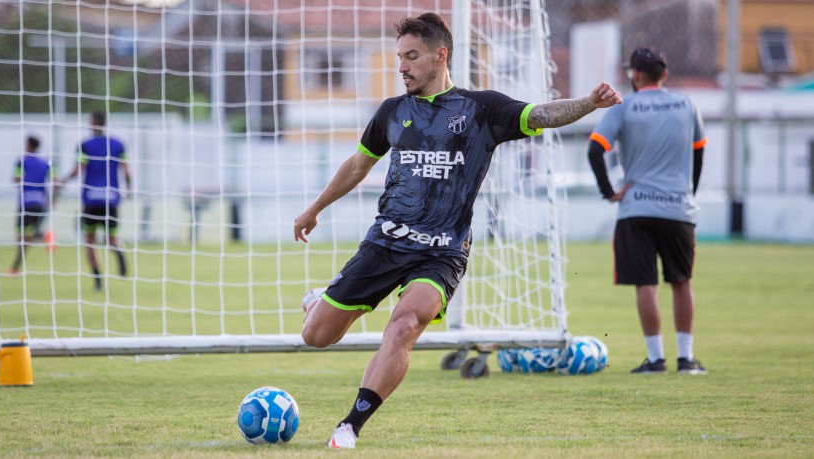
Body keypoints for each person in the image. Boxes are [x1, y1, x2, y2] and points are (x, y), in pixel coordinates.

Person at [293, 12, 622, 449]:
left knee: (404, 325)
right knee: (317, 336)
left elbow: (541, 114)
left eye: (411, 56)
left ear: (440, 55)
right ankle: (322, 299)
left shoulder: (481, 109)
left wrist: (588, 103)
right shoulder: (392, 111)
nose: (402, 66)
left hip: (443, 250)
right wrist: (315, 208)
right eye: (399, 57)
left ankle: (350, 425)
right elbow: (358, 165)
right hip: (386, 241)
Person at [586, 47, 708, 375]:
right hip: (678, 208)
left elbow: (595, 149)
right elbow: (699, 154)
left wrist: (609, 192)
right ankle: (686, 359)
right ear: (664, 74)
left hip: (636, 208)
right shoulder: (687, 104)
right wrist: (687, 194)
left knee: (646, 284)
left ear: (635, 75)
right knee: (682, 282)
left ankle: (655, 360)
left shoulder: (624, 106)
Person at [60, 111, 132, 291]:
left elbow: (79, 169)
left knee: (90, 241)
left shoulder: (85, 145)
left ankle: (98, 281)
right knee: (111, 239)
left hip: (91, 199)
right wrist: (129, 188)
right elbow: (126, 170)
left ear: (93, 123)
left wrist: (64, 180)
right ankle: (119, 254)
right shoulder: (117, 144)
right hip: (111, 199)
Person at [7, 135, 56, 275]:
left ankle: (15, 267)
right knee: (28, 235)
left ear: (28, 145)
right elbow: (55, 180)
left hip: (26, 202)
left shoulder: (22, 162)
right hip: (41, 202)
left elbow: (16, 178)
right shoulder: (46, 163)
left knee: (21, 236)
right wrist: (53, 198)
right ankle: (43, 236)